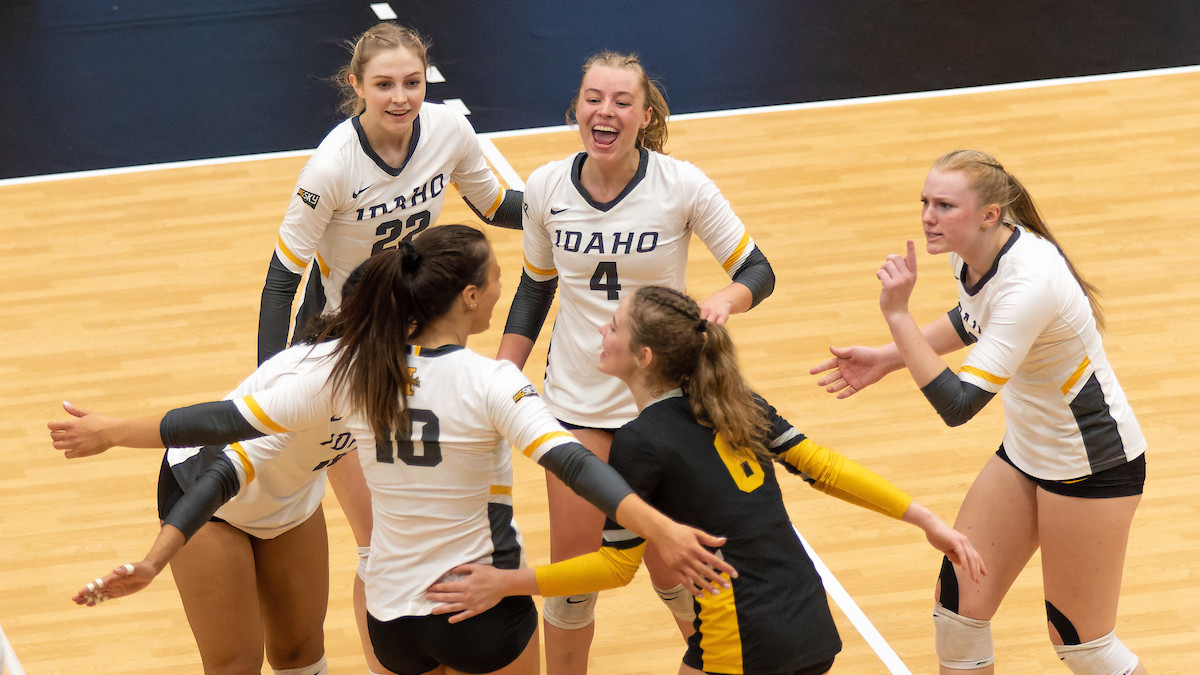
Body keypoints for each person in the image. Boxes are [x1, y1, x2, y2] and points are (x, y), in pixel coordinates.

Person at [52, 225, 736, 675]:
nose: (510, 284)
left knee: (303, 645)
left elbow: (214, 419)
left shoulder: (351, 372)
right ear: (468, 299)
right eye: (499, 277)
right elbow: (576, 465)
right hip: (467, 595)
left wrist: (111, 433)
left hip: (389, 615)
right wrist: (661, 526)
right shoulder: (461, 377)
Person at [427, 285, 985, 675]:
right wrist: (924, 518)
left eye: (614, 325)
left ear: (642, 356)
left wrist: (507, 582)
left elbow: (617, 568)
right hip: (806, 615)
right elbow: (827, 467)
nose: (603, 328)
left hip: (742, 636)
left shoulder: (640, 442)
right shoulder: (738, 403)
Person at [810, 150, 1148, 674]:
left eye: (945, 205)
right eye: (925, 201)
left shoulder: (1029, 280)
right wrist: (887, 357)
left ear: (991, 214)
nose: (928, 216)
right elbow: (973, 319)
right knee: (958, 608)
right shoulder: (971, 254)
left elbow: (960, 405)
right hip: (1026, 453)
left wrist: (897, 316)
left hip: (1093, 467)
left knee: (1081, 643)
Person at [497, 51, 776, 673]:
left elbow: (758, 270)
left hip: (664, 407)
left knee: (674, 565)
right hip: (576, 407)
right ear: (576, 108)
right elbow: (535, 286)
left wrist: (725, 300)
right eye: (594, 98)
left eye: (623, 102)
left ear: (645, 116)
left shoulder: (682, 185)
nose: (607, 111)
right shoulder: (544, 187)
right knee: (572, 585)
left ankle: (719, 664)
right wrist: (501, 370)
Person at [257, 23, 522, 666]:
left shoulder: (448, 132)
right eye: (384, 85)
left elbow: (496, 205)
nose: (400, 97)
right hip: (341, 354)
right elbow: (281, 280)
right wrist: (271, 382)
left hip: (414, 344)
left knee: (420, 530)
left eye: (412, 82)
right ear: (357, 87)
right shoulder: (332, 166)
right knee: (379, 542)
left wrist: (579, 202)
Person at [59, 264, 389, 675]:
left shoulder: (408, 372)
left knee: (300, 651)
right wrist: (152, 562)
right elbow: (220, 471)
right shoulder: (313, 386)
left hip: (289, 496)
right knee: (235, 665)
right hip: (210, 496)